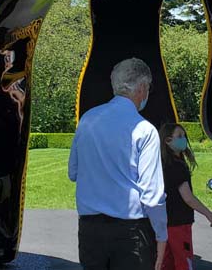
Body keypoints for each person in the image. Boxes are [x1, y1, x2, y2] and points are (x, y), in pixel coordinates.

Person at [68, 58, 167, 270]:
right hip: (130, 232)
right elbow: (152, 195)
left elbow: (73, 172)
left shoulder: (87, 120)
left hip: (90, 229)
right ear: (141, 88)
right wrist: (162, 234)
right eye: (147, 88)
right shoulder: (145, 130)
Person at [159, 123, 212, 270]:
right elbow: (188, 197)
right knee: (184, 262)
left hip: (163, 222)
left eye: (184, 136)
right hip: (179, 223)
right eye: (179, 136)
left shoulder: (162, 164)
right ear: (167, 141)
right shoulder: (178, 167)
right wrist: (208, 213)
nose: (183, 139)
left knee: (166, 262)